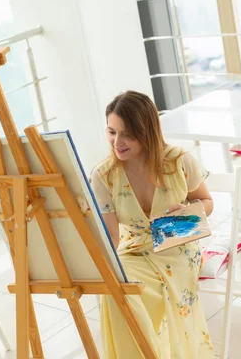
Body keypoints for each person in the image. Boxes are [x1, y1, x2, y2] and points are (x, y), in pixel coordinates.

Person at [89, 90, 215, 359]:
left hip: (178, 244)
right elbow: (112, 237)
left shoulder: (179, 161)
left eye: (127, 134)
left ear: (146, 131)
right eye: (111, 132)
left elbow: (206, 201)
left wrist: (189, 211)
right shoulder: (103, 175)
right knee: (118, 289)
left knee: (143, 291)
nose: (117, 142)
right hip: (134, 249)